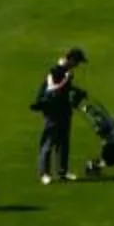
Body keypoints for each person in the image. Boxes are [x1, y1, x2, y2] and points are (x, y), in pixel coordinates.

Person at [33, 46, 87, 184]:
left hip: (63, 110)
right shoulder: (55, 71)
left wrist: (78, 91)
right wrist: (66, 80)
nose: (77, 65)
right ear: (72, 59)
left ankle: (62, 171)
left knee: (63, 142)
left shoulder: (66, 71)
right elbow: (52, 90)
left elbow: (66, 89)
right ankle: (44, 173)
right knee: (48, 142)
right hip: (52, 111)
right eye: (77, 62)